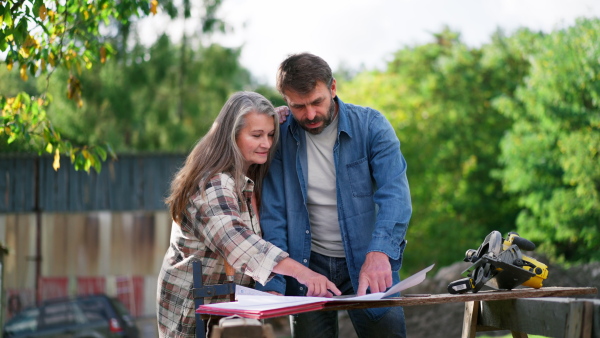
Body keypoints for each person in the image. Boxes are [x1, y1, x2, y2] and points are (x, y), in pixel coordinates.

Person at [156, 91, 341, 338]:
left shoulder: (245, 179)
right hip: (193, 318)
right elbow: (238, 241)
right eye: (256, 135)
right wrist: (304, 273)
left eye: (270, 134)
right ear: (231, 136)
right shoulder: (212, 185)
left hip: (227, 312)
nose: (266, 143)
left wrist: (281, 114)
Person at [256, 53, 412, 338]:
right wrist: (274, 284)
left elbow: (396, 197)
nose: (310, 115)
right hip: (307, 266)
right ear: (286, 101)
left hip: (368, 258)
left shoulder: (372, 127)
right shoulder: (277, 138)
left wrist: (379, 253)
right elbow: (273, 215)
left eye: (317, 102)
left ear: (333, 88)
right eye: (298, 107)